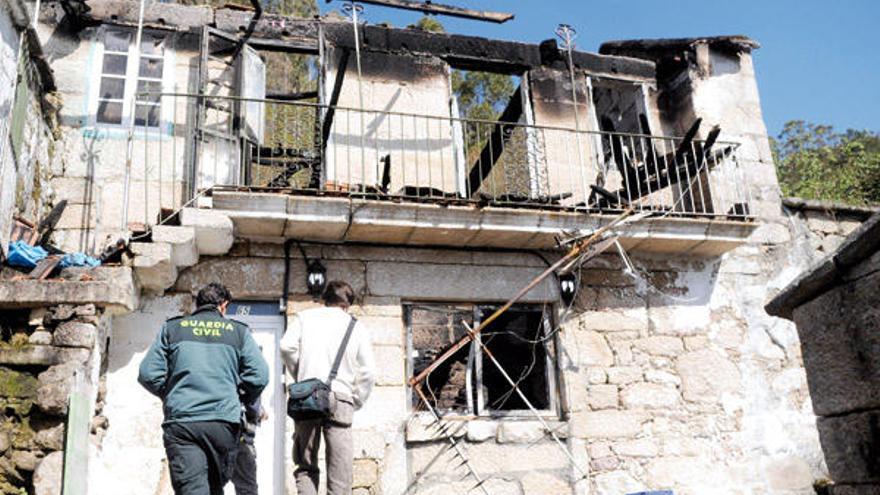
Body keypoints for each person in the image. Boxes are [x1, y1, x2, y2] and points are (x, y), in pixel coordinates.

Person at [138, 282, 269, 495]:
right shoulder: (238, 332)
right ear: (223, 306)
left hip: (183, 421)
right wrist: (241, 397)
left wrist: (172, 393)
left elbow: (147, 374)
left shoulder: (172, 328)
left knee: (193, 489)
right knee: (214, 488)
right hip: (223, 423)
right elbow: (259, 376)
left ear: (197, 305)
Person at [280, 280, 376, 495]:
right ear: (346, 305)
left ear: (325, 300)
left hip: (307, 396)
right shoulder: (355, 326)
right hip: (341, 397)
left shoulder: (305, 318)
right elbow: (368, 371)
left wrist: (301, 375)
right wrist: (356, 399)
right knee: (340, 471)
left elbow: (286, 346)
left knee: (305, 465)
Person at [231, 396, 266, 495]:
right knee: (246, 487)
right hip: (240, 435)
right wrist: (259, 411)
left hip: (206, 429)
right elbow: (253, 388)